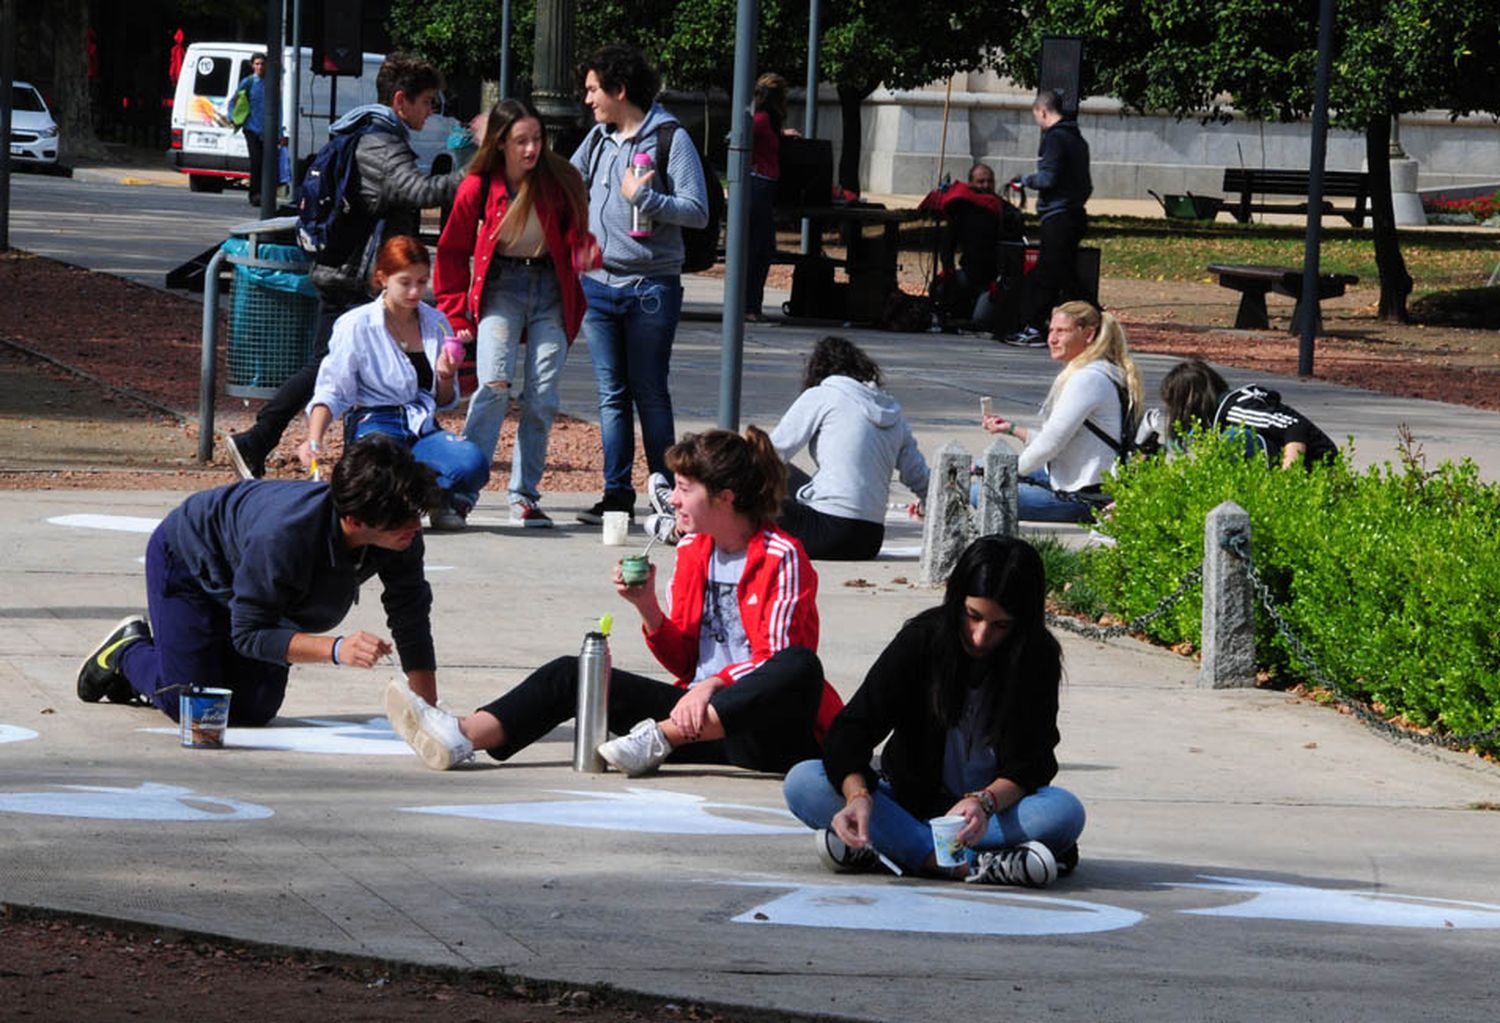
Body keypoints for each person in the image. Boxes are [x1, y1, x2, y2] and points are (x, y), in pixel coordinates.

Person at [384, 427, 845, 773]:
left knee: (799, 665)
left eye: (685, 489)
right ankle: (462, 736)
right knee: (575, 672)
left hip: (771, 731)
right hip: (692, 724)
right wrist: (647, 608)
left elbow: (775, 661)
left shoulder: (782, 555)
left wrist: (711, 687)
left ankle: (656, 740)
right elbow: (685, 662)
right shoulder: (693, 550)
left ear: (725, 498)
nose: (675, 501)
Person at [76, 434, 448, 725]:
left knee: (253, 709)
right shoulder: (285, 535)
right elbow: (248, 633)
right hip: (190, 561)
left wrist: (426, 713)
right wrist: (335, 649)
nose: (416, 525)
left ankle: (186, 653)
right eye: (403, 518)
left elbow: (410, 614)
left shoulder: (401, 535)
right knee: (195, 704)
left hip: (248, 583)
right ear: (355, 520)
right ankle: (127, 651)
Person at [783, 535, 1085, 887]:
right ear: (957, 601)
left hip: (986, 816)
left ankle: (892, 848)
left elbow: (1033, 763)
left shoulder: (1037, 658)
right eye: (972, 616)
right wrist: (858, 797)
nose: (979, 636)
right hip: (910, 802)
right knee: (804, 781)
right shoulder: (923, 639)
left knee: (1063, 812)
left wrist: (983, 803)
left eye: (1000, 625)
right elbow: (851, 731)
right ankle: (963, 862)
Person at [227, 54, 469, 481]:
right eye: (427, 101)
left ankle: (261, 440)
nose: (432, 111)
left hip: (346, 270)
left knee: (323, 366)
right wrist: (472, 177)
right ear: (400, 100)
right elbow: (415, 189)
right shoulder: (380, 143)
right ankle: (260, 439)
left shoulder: (368, 133)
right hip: (355, 277)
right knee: (323, 368)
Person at [434, 98, 600, 528]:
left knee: (542, 397)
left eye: (537, 140)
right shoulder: (478, 185)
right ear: (501, 143)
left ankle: (523, 496)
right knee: (493, 385)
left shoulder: (559, 180)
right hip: (501, 289)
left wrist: (587, 254)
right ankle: (461, 491)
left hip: (550, 290)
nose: (531, 149)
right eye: (521, 141)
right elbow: (452, 252)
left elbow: (579, 238)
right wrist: (455, 314)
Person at [569, 43, 710, 526]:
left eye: (593, 89)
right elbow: (569, 184)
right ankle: (616, 495)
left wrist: (645, 198)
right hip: (599, 287)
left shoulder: (671, 137)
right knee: (611, 393)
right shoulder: (598, 138)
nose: (588, 99)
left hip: (651, 287)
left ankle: (669, 493)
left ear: (619, 89)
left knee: (649, 390)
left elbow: (697, 210)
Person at [301, 235, 488, 530]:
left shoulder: (437, 322)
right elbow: (331, 389)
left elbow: (442, 400)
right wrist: (315, 438)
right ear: (382, 279)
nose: (415, 291)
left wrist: (445, 374)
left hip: (421, 423)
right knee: (379, 477)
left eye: (422, 281)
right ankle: (409, 495)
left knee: (472, 462)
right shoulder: (356, 324)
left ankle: (437, 497)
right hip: (375, 421)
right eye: (405, 282)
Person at [765, 336, 929, 561]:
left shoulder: (823, 395)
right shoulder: (893, 412)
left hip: (826, 533)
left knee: (755, 490)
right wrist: (931, 507)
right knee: (789, 475)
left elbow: (771, 454)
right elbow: (919, 476)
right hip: (869, 540)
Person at [981, 300, 1143, 522]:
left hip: (1086, 496)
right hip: (1077, 479)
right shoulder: (1104, 370)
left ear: (1088, 335)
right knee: (980, 466)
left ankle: (929, 498)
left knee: (978, 493)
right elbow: (1058, 441)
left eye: (1062, 331)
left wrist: (1008, 473)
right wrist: (1012, 429)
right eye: (1051, 331)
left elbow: (1051, 444)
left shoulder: (1088, 378)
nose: (1052, 339)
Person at [1002, 90, 1091, 347]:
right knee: (1066, 277)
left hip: (1058, 216)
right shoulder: (1078, 140)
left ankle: (1033, 327)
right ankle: (1093, 323)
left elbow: (1048, 177)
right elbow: (1086, 185)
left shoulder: (1054, 139)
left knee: (1046, 275)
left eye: (1037, 117)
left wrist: (1025, 181)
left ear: (1042, 111)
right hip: (1074, 214)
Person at [1140, 358, 1338, 469]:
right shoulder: (1215, 419)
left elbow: (1294, 427)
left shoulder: (1237, 410)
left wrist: (1288, 479)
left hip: (1319, 463)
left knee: (1234, 440)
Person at [747, 73, 793, 321]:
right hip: (760, 185)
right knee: (758, 249)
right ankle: (750, 306)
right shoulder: (762, 120)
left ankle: (752, 305)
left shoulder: (767, 121)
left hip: (764, 185)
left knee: (761, 249)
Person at [234, 53, 267, 206]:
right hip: (251, 128)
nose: (260, 67)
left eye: (262, 64)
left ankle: (265, 193)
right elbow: (235, 101)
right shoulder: (248, 82)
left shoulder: (270, 83)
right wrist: (235, 119)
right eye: (257, 64)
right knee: (256, 161)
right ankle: (255, 194)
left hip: (266, 130)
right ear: (252, 65)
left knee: (267, 162)